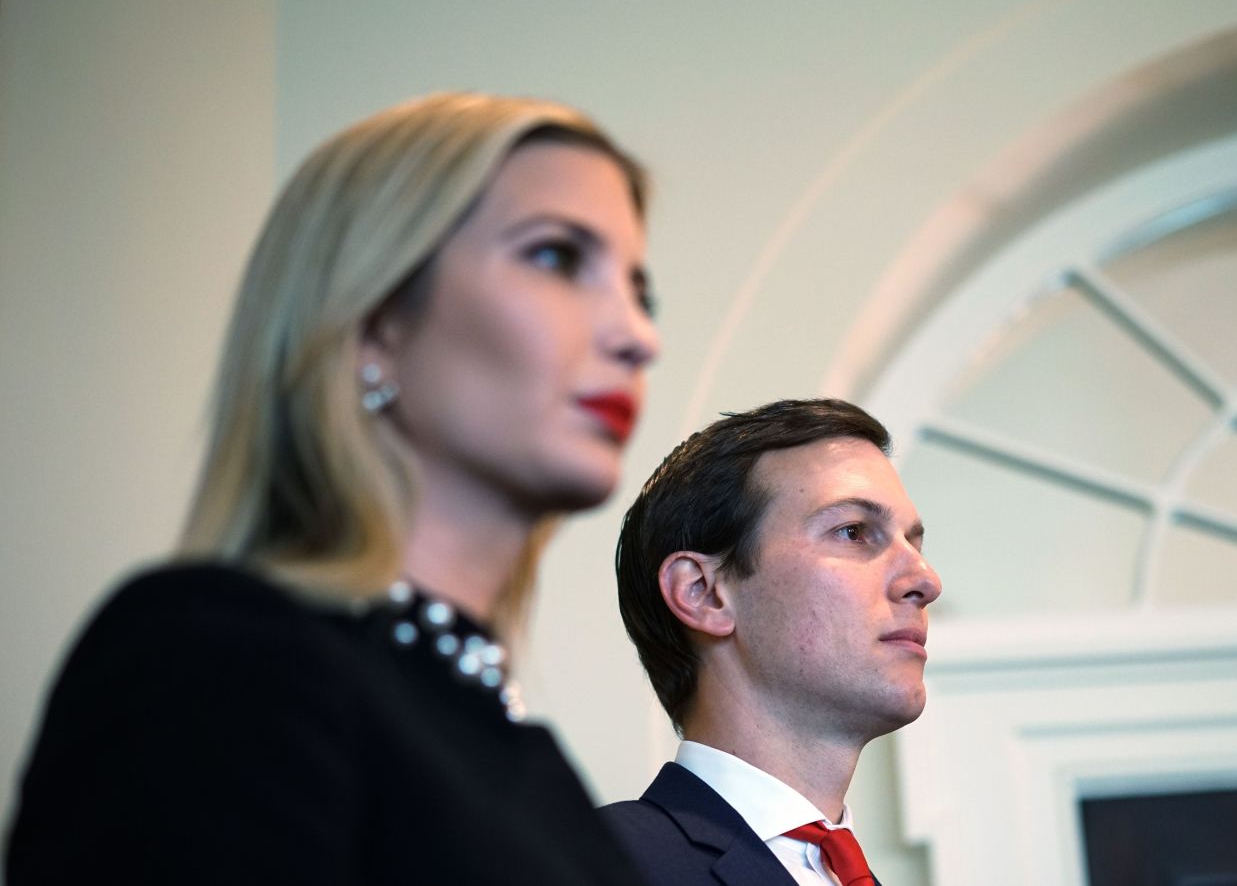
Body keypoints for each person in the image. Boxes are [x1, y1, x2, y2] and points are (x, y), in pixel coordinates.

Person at [6, 92, 660, 884]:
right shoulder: (218, 660)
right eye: (557, 257)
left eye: (638, 289)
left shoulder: (522, 759)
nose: (638, 334)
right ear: (379, 319)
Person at [603, 398, 941, 886]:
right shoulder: (590, 864)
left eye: (915, 543)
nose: (926, 579)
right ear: (704, 593)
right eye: (853, 531)